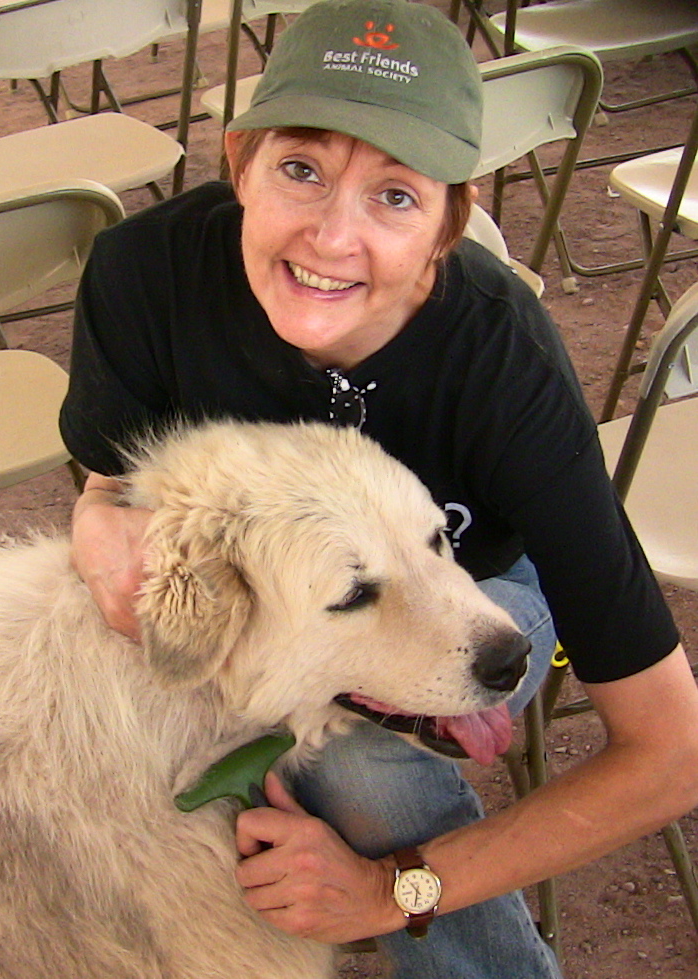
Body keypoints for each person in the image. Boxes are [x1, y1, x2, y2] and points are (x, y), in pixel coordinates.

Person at [59, 0, 698, 975]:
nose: (331, 237)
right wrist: (100, 519)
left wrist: (394, 885)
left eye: (395, 195)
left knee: (358, 767)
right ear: (241, 163)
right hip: (265, 600)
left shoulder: (504, 364)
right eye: (301, 169)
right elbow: (112, 481)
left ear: (448, 223)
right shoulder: (144, 271)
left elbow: (672, 750)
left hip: (481, 590)